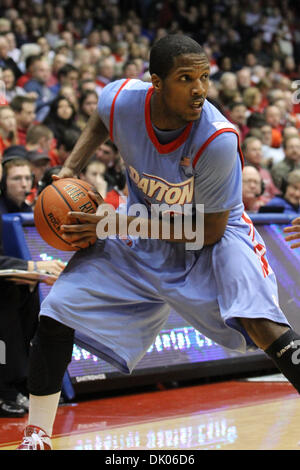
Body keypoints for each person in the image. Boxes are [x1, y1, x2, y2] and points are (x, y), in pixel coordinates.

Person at [17, 34, 300, 450]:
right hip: (142, 232)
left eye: (204, 77)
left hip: (215, 237)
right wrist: (70, 168)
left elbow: (210, 230)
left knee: (262, 324)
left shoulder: (217, 138)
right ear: (157, 82)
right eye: (186, 78)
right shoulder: (122, 100)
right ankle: (37, 434)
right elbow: (100, 117)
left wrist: (112, 223)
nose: (200, 89)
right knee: (58, 309)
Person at [0, 157, 65, 417]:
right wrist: (33, 268)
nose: (23, 183)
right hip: (5, 288)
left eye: (27, 178)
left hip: (23, 288)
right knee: (7, 299)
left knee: (31, 300)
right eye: (16, 178)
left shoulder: (32, 210)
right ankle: (5, 390)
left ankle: (27, 384)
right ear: (4, 182)